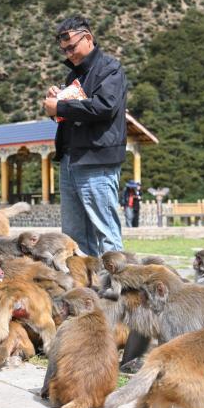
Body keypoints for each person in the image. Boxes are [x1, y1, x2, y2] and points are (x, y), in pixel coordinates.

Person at [43, 16, 128, 255]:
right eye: (64, 50)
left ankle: (117, 279)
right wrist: (56, 102)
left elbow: (104, 107)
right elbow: (70, 115)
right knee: (73, 237)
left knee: (105, 232)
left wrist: (60, 107)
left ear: (88, 38)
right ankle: (83, 280)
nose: (68, 54)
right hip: (70, 160)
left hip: (97, 161)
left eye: (72, 47)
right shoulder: (73, 77)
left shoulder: (110, 69)